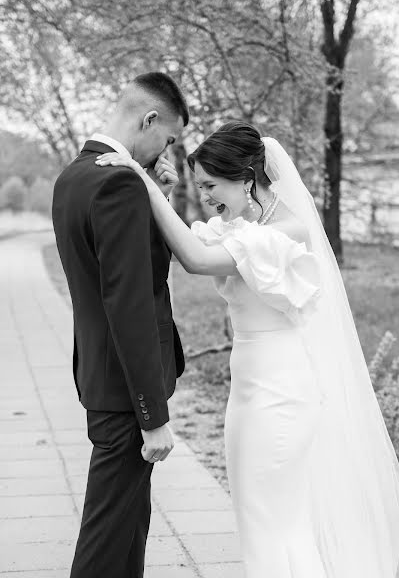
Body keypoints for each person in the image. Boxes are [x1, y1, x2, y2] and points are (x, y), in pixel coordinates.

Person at [96, 120, 399, 578]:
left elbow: (197, 261)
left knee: (273, 521)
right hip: (249, 388)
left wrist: (143, 183)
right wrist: (165, 191)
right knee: (263, 518)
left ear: (247, 178)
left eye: (212, 185)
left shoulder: (287, 231)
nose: (207, 197)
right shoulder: (235, 227)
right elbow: (182, 245)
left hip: (282, 389)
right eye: (199, 187)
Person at [52, 72, 188, 578]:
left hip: (102, 378)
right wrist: (153, 416)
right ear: (148, 119)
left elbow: (120, 267)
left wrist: (156, 195)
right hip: (127, 393)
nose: (168, 148)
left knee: (129, 525)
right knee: (107, 538)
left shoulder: (75, 175)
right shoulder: (120, 181)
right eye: (168, 137)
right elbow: (129, 301)